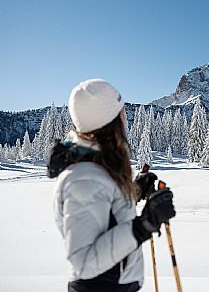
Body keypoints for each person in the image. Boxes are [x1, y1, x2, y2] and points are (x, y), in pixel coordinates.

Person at [48, 79, 176, 292]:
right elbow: (84, 261)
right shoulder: (83, 179)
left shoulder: (95, 164)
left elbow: (105, 209)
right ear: (110, 122)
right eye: (121, 113)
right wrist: (144, 224)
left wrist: (135, 191)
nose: (125, 119)